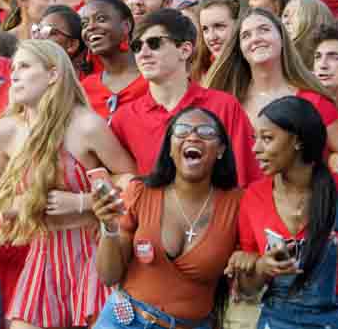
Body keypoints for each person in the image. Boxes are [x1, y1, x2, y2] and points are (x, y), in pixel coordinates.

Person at [0, 39, 136, 329]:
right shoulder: (3, 131)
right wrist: (24, 204)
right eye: (13, 68)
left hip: (94, 251)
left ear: (53, 74)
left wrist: (83, 202)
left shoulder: (86, 125)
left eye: (25, 66)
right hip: (42, 251)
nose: (14, 75)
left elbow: (132, 184)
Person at [230, 97, 338, 329]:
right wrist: (261, 267)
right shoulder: (253, 197)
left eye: (267, 139)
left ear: (297, 141)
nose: (255, 149)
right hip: (277, 320)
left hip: (337, 319)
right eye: (255, 139)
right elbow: (247, 288)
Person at [89, 108, 243, 329]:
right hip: (123, 321)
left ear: (220, 150)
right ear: (170, 148)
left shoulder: (237, 203)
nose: (192, 137)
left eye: (206, 132)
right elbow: (108, 276)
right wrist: (109, 228)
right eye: (181, 131)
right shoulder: (141, 192)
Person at [110, 9, 262, 186]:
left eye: (154, 43)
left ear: (184, 50)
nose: (143, 53)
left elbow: (249, 179)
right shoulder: (124, 117)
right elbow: (106, 176)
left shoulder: (224, 105)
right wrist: (121, 180)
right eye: (136, 46)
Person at [203, 7, 338, 173]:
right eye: (246, 35)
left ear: (282, 38)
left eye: (264, 30)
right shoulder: (228, 102)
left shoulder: (314, 101)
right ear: (240, 49)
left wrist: (331, 159)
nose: (255, 39)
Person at [80, 0, 148, 118]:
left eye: (100, 19)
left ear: (126, 26)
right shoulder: (84, 88)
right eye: (84, 24)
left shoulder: (154, 77)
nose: (90, 27)